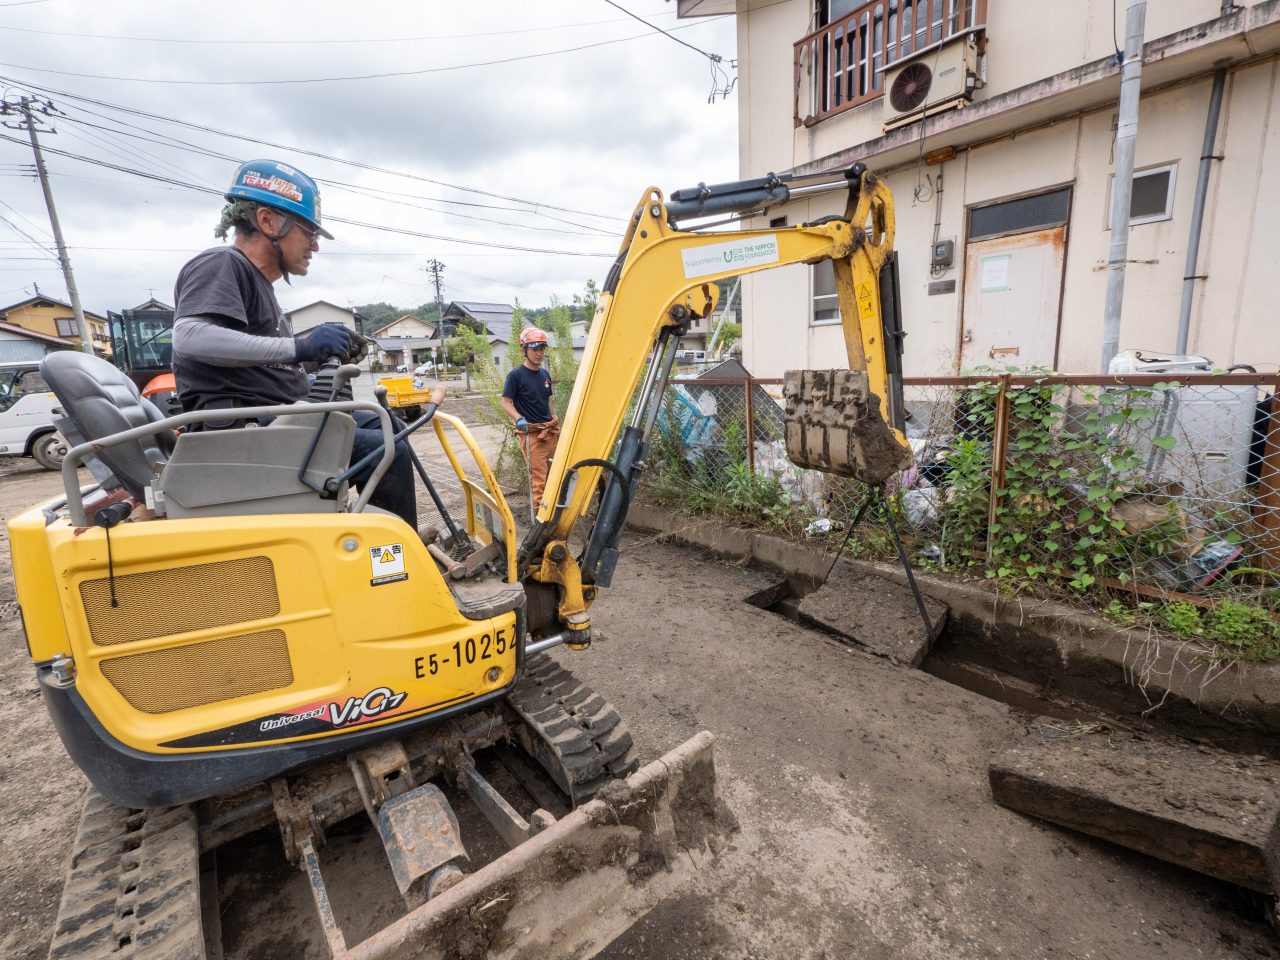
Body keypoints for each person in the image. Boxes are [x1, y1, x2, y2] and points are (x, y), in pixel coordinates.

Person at [171, 158, 417, 526]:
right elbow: (190, 336)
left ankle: (384, 544)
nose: (314, 246)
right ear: (268, 221)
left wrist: (316, 359)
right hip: (243, 434)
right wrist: (300, 347)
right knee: (386, 449)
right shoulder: (224, 264)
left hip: (272, 424)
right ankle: (392, 563)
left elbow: (263, 361)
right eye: (309, 233)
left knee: (388, 426)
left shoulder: (260, 287)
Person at [501, 326, 560, 504]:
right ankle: (541, 523)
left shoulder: (544, 374)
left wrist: (554, 419)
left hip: (550, 432)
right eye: (534, 349)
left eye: (542, 349)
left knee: (560, 473)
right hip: (533, 435)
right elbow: (505, 402)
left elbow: (547, 400)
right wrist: (519, 418)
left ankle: (556, 512)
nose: (539, 353)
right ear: (524, 350)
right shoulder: (516, 376)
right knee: (539, 481)